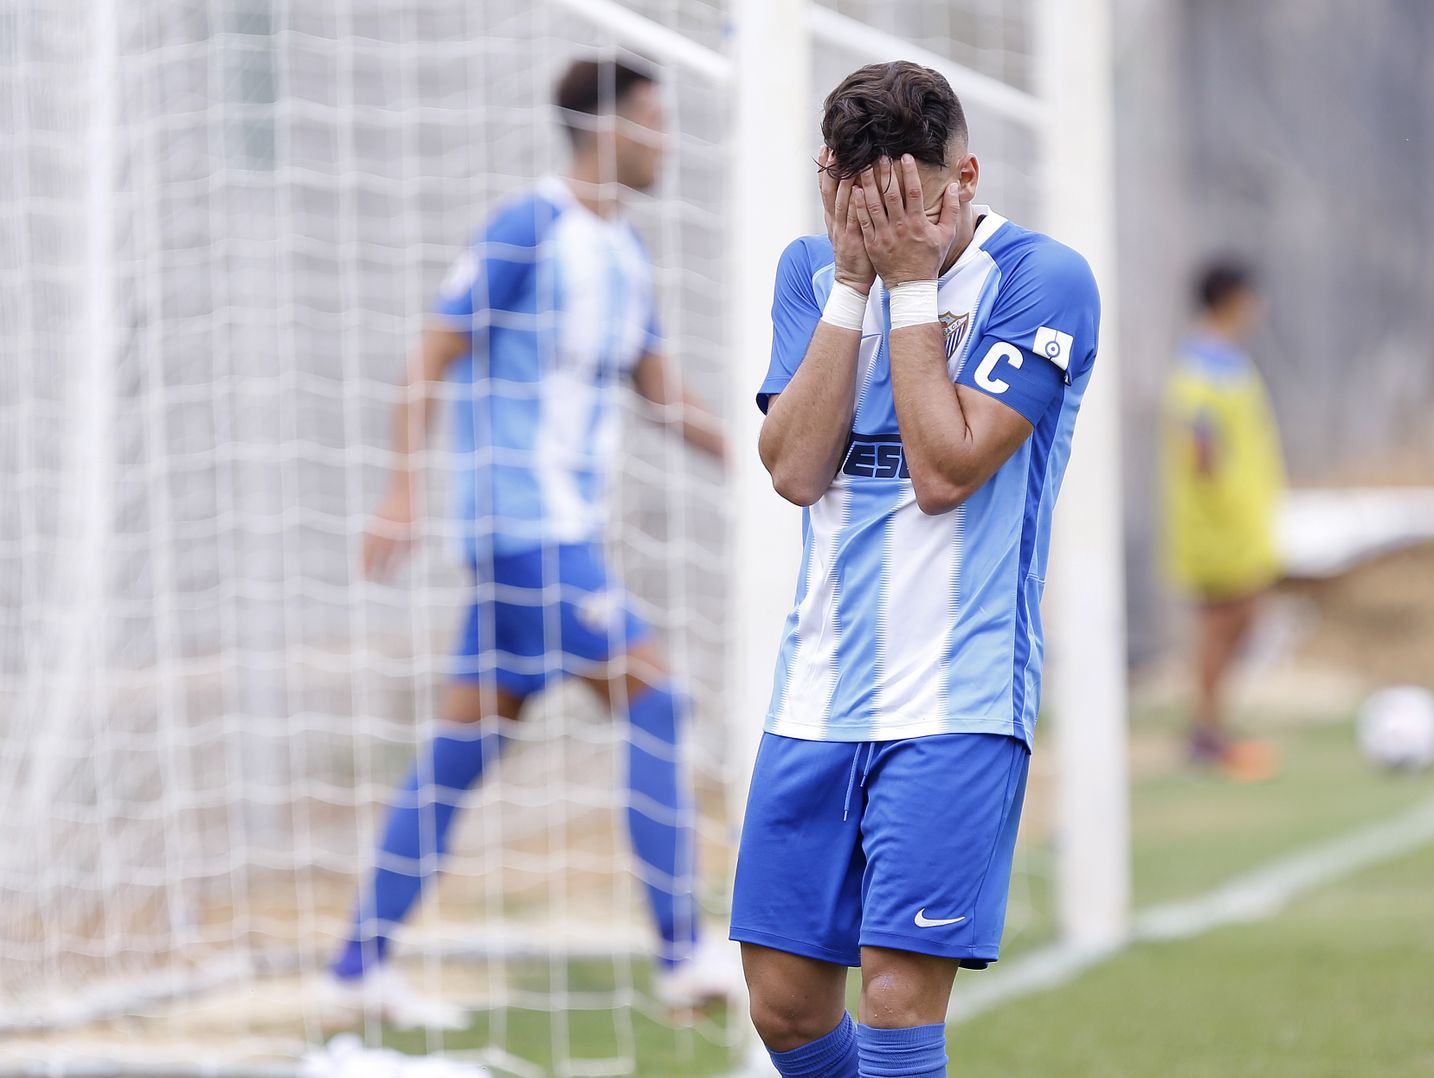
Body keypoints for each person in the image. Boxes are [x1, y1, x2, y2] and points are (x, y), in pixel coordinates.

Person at [326, 55, 733, 1027]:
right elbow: (432, 350)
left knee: (462, 752)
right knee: (652, 690)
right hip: (522, 529)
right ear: (607, 128)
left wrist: (765, 458)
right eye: (653, 121)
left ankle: (357, 966)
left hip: (555, 533)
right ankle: (681, 952)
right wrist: (402, 491)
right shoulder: (530, 227)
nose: (665, 140)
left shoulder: (626, 253)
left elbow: (658, 386)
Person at [731, 61, 1102, 1078]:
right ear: (829, 182)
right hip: (815, 694)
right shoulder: (810, 268)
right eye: (866, 204)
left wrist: (908, 280)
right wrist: (856, 279)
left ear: (966, 174)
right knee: (786, 1007)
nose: (891, 220)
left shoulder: (1042, 278)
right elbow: (795, 469)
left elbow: (945, 469)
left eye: (914, 200)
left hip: (958, 697)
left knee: (894, 999)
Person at [1161, 258, 1285, 782]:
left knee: (1242, 618)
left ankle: (1210, 724)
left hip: (1241, 515)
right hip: (1217, 520)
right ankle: (1207, 731)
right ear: (1233, 298)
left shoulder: (1227, 360)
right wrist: (1222, 498)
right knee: (1222, 620)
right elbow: (1201, 440)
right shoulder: (1201, 363)